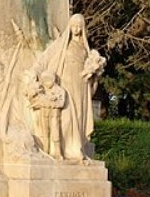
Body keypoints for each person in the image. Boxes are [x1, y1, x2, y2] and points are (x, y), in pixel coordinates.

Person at [35, 14, 106, 160]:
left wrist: (93, 72)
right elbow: (46, 59)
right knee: (66, 116)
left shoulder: (84, 48)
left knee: (80, 114)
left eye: (80, 26)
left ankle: (77, 147)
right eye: (74, 26)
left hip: (81, 85)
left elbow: (90, 71)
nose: (77, 29)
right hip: (66, 83)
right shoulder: (62, 45)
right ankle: (65, 148)